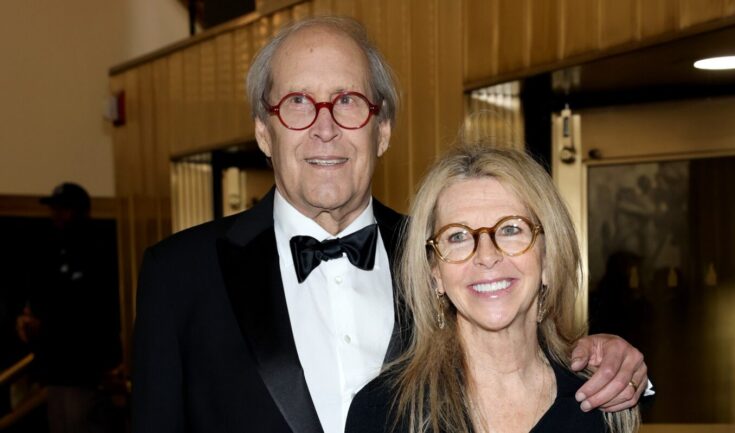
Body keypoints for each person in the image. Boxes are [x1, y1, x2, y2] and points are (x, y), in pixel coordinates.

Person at [131, 16, 647, 433]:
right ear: (264, 132)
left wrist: (613, 360)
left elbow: (524, 354)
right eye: (297, 104)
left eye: (348, 101)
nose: (325, 128)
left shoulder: (447, 256)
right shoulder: (180, 275)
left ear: (382, 131)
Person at [346, 144, 641, 433]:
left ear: (549, 258)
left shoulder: (603, 400)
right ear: (435, 272)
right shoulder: (382, 412)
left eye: (510, 229)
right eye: (458, 236)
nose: (486, 256)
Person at [17, 182, 122, 433]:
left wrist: (47, 323)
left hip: (85, 368)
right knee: (62, 421)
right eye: (55, 209)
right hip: (57, 367)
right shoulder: (54, 252)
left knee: (80, 421)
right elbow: (42, 298)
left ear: (80, 211)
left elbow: (91, 312)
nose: (56, 215)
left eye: (63, 209)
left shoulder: (98, 251)